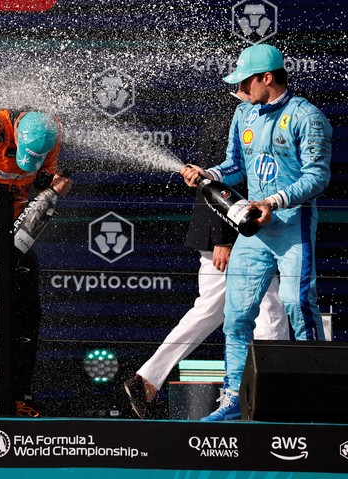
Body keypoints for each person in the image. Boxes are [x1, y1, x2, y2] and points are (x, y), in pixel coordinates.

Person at [181, 43, 332, 421]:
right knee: (236, 317)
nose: (239, 91)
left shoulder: (307, 116)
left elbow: (318, 175)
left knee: (298, 306)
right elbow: (235, 166)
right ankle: (233, 399)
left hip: (291, 227)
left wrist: (274, 202)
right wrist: (208, 175)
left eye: (245, 83)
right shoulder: (243, 114)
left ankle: (314, 400)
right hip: (253, 233)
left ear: (267, 78)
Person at [123, 89, 289, 419]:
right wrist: (223, 239)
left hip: (231, 236)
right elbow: (226, 183)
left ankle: (147, 379)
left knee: (210, 312)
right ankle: (274, 401)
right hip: (233, 238)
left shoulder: (231, 112)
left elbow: (216, 177)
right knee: (270, 313)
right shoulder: (237, 115)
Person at [0, 110, 73, 417]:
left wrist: (54, 184)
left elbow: (44, 174)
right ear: (17, 135)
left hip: (19, 224)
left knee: (28, 309)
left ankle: (21, 396)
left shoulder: (52, 130)